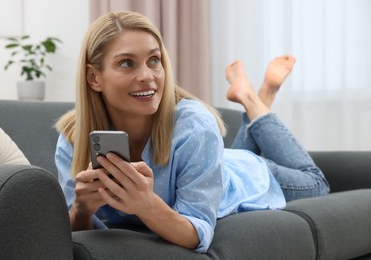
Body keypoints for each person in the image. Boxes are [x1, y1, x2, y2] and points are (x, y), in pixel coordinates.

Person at [55, 11, 330, 254]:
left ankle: (254, 98)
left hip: (245, 178)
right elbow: (75, 233)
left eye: (154, 60)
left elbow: (198, 233)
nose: (148, 76)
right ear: (94, 77)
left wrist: (145, 203)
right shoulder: (73, 138)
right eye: (127, 63)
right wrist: (82, 208)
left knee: (317, 183)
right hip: (210, 163)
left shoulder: (194, 124)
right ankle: (255, 98)